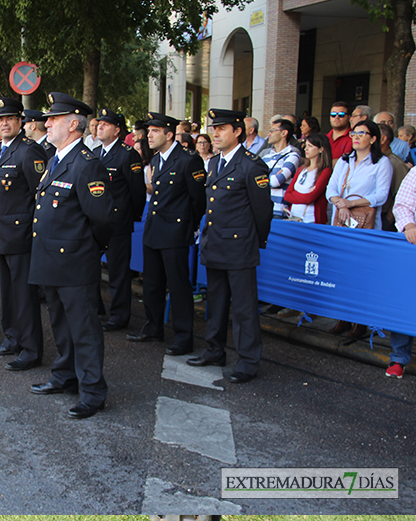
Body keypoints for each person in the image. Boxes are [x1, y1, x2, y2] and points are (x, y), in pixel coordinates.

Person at [28, 92, 114, 419]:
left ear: (74, 123)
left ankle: (93, 391)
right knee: (60, 323)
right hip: (51, 259)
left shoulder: (86, 165)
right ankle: (65, 375)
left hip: (75, 261)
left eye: (54, 118)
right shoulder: (57, 158)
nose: (46, 122)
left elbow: (103, 219)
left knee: (84, 329)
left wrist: (86, 250)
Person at [186, 108, 273, 383]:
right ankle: (215, 349)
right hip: (216, 243)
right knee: (217, 301)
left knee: (244, 307)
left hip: (239, 245)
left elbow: (263, 210)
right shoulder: (214, 163)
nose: (216, 134)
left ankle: (248, 360)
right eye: (214, 129)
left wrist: (255, 242)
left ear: (238, 131)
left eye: (221, 128)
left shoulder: (251, 164)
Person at [126, 112, 206, 356]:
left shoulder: (188, 160)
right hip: (154, 230)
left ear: (169, 134)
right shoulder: (158, 160)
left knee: (179, 286)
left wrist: (187, 227)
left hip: (175, 231)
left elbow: (198, 200)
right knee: (152, 283)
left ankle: (183, 337)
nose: (148, 135)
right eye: (148, 131)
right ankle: (153, 326)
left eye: (154, 131)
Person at [0, 97, 47, 370]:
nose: (4, 123)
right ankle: (12, 338)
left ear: (20, 121)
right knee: (8, 293)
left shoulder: (28, 151)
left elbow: (39, 196)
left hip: (20, 237)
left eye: (9, 118)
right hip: (0, 235)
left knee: (24, 296)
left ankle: (31, 350)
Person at [326, 119, 392, 338]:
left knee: (362, 274)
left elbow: (381, 194)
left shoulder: (382, 163)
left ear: (373, 138)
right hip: (342, 221)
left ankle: (360, 322)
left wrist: (351, 203)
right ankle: (343, 318)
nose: (355, 136)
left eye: (361, 133)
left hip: (366, 226)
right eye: (354, 133)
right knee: (342, 271)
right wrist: (339, 202)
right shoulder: (344, 161)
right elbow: (331, 189)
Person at [92, 107, 146, 332]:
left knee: (117, 272)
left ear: (117, 130)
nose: (99, 127)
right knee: (91, 268)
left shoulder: (127, 154)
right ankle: (96, 308)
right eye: (99, 124)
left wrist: (129, 218)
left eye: (105, 124)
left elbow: (137, 192)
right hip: (97, 223)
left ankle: (120, 315)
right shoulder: (95, 153)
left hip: (117, 224)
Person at [388, 166, 416, 378]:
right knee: (408, 301)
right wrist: (409, 225)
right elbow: (403, 204)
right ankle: (399, 357)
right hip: (415, 245)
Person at [284, 133, 333, 224]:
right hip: (293, 217)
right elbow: (287, 195)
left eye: (310, 146)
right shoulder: (301, 169)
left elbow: (311, 198)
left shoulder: (325, 171)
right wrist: (306, 194)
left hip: (312, 220)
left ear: (321, 149)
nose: (306, 149)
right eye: (306, 145)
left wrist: (295, 194)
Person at [262, 118, 301, 219]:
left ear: (284, 133)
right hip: (262, 209)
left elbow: (276, 181)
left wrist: (263, 178)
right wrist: (271, 176)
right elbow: (254, 180)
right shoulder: (266, 156)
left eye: (272, 131)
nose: (268, 134)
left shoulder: (292, 156)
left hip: (279, 211)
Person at [378, 122, 411, 232]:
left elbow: (401, 197)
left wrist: (387, 221)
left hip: (385, 222)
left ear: (382, 139)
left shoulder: (395, 163)